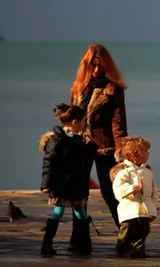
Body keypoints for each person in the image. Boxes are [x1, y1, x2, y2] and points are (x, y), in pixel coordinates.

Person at [70, 43, 128, 227]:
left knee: (110, 192)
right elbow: (71, 118)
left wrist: (122, 151)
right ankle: (80, 237)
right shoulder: (79, 88)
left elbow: (118, 123)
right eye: (92, 66)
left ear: (106, 67)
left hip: (106, 147)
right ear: (86, 66)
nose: (96, 70)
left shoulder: (113, 89)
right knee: (78, 192)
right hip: (80, 145)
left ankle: (126, 233)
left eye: (100, 66)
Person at [39, 104, 92, 256]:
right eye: (83, 121)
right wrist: (46, 184)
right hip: (62, 183)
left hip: (77, 183)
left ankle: (85, 244)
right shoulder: (57, 140)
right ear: (75, 122)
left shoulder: (77, 138)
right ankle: (46, 244)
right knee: (58, 211)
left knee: (81, 212)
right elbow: (48, 162)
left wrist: (90, 145)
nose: (84, 124)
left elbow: (83, 157)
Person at [110, 136, 160, 258]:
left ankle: (137, 251)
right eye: (145, 151)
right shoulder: (124, 172)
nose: (148, 154)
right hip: (129, 209)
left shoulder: (148, 172)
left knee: (143, 230)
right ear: (135, 155)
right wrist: (132, 189)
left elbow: (153, 191)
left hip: (144, 209)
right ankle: (122, 245)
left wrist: (155, 205)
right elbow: (118, 190)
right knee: (128, 229)